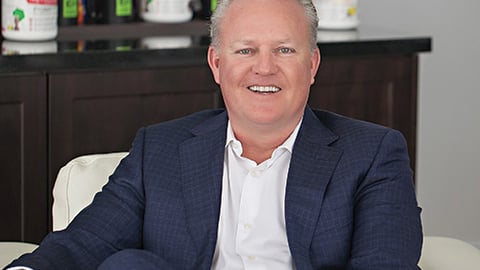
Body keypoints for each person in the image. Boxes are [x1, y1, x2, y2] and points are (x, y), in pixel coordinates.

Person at [6, 0, 423, 269]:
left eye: (284, 50)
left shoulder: (372, 153)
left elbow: (386, 262)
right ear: (217, 64)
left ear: (312, 65)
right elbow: (85, 242)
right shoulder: (161, 149)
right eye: (245, 50)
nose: (264, 68)